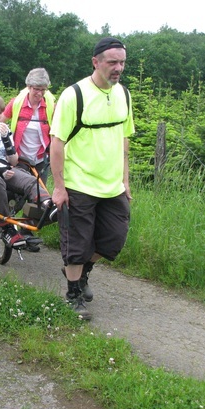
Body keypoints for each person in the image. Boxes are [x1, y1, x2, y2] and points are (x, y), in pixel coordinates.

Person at [50, 37, 135, 320]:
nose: (118, 68)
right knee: (77, 243)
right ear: (95, 62)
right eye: (112, 62)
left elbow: (124, 139)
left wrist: (125, 180)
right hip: (79, 183)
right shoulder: (74, 95)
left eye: (122, 62)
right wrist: (59, 187)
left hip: (113, 186)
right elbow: (57, 143)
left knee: (113, 239)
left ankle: (82, 273)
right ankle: (73, 294)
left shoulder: (123, 93)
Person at [0, 94, 56, 248]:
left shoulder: (3, 129)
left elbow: (13, 160)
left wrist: (7, 140)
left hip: (7, 168)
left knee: (29, 179)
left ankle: (48, 205)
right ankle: (6, 227)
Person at [3, 68, 56, 251]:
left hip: (41, 158)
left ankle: (25, 231)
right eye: (36, 89)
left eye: (43, 90)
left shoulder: (50, 106)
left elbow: (58, 129)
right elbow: (0, 122)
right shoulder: (17, 103)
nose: (39, 93)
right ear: (28, 87)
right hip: (18, 158)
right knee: (17, 195)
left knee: (38, 197)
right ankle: (9, 227)